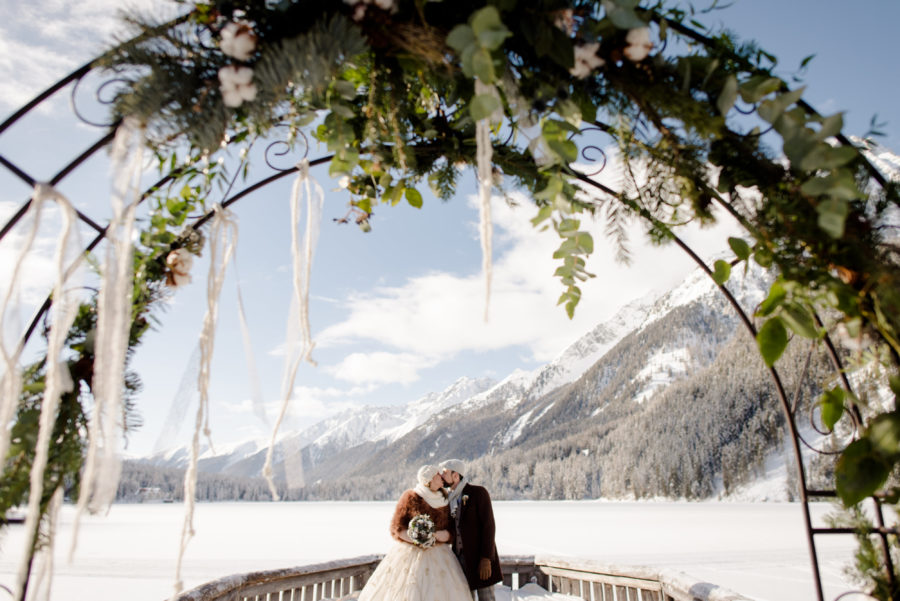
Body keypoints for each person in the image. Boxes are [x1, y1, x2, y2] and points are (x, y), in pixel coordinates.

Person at [358, 464, 472, 601]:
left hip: (440, 553)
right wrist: (416, 538)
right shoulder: (411, 497)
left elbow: (452, 528)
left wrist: (442, 535)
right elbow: (397, 527)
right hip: (411, 552)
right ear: (428, 479)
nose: (441, 477)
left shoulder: (445, 498)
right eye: (437, 475)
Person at [440, 459, 503, 601]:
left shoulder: (478, 493)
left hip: (480, 558)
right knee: (465, 598)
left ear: (456, 475)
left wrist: (486, 558)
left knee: (487, 598)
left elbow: (489, 527)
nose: (441, 476)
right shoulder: (447, 499)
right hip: (459, 559)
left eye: (445, 472)